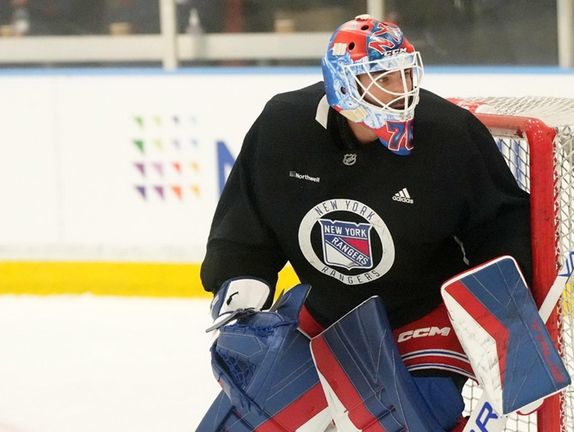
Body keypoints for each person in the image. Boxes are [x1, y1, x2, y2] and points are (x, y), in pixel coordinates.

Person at [201, 14, 532, 430]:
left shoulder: (450, 135)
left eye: (404, 73)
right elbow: (247, 223)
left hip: (422, 318)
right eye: (384, 78)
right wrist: (240, 278)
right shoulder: (283, 128)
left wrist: (508, 320)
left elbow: (501, 228)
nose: (403, 89)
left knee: (411, 418)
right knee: (236, 422)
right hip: (327, 318)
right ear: (344, 85)